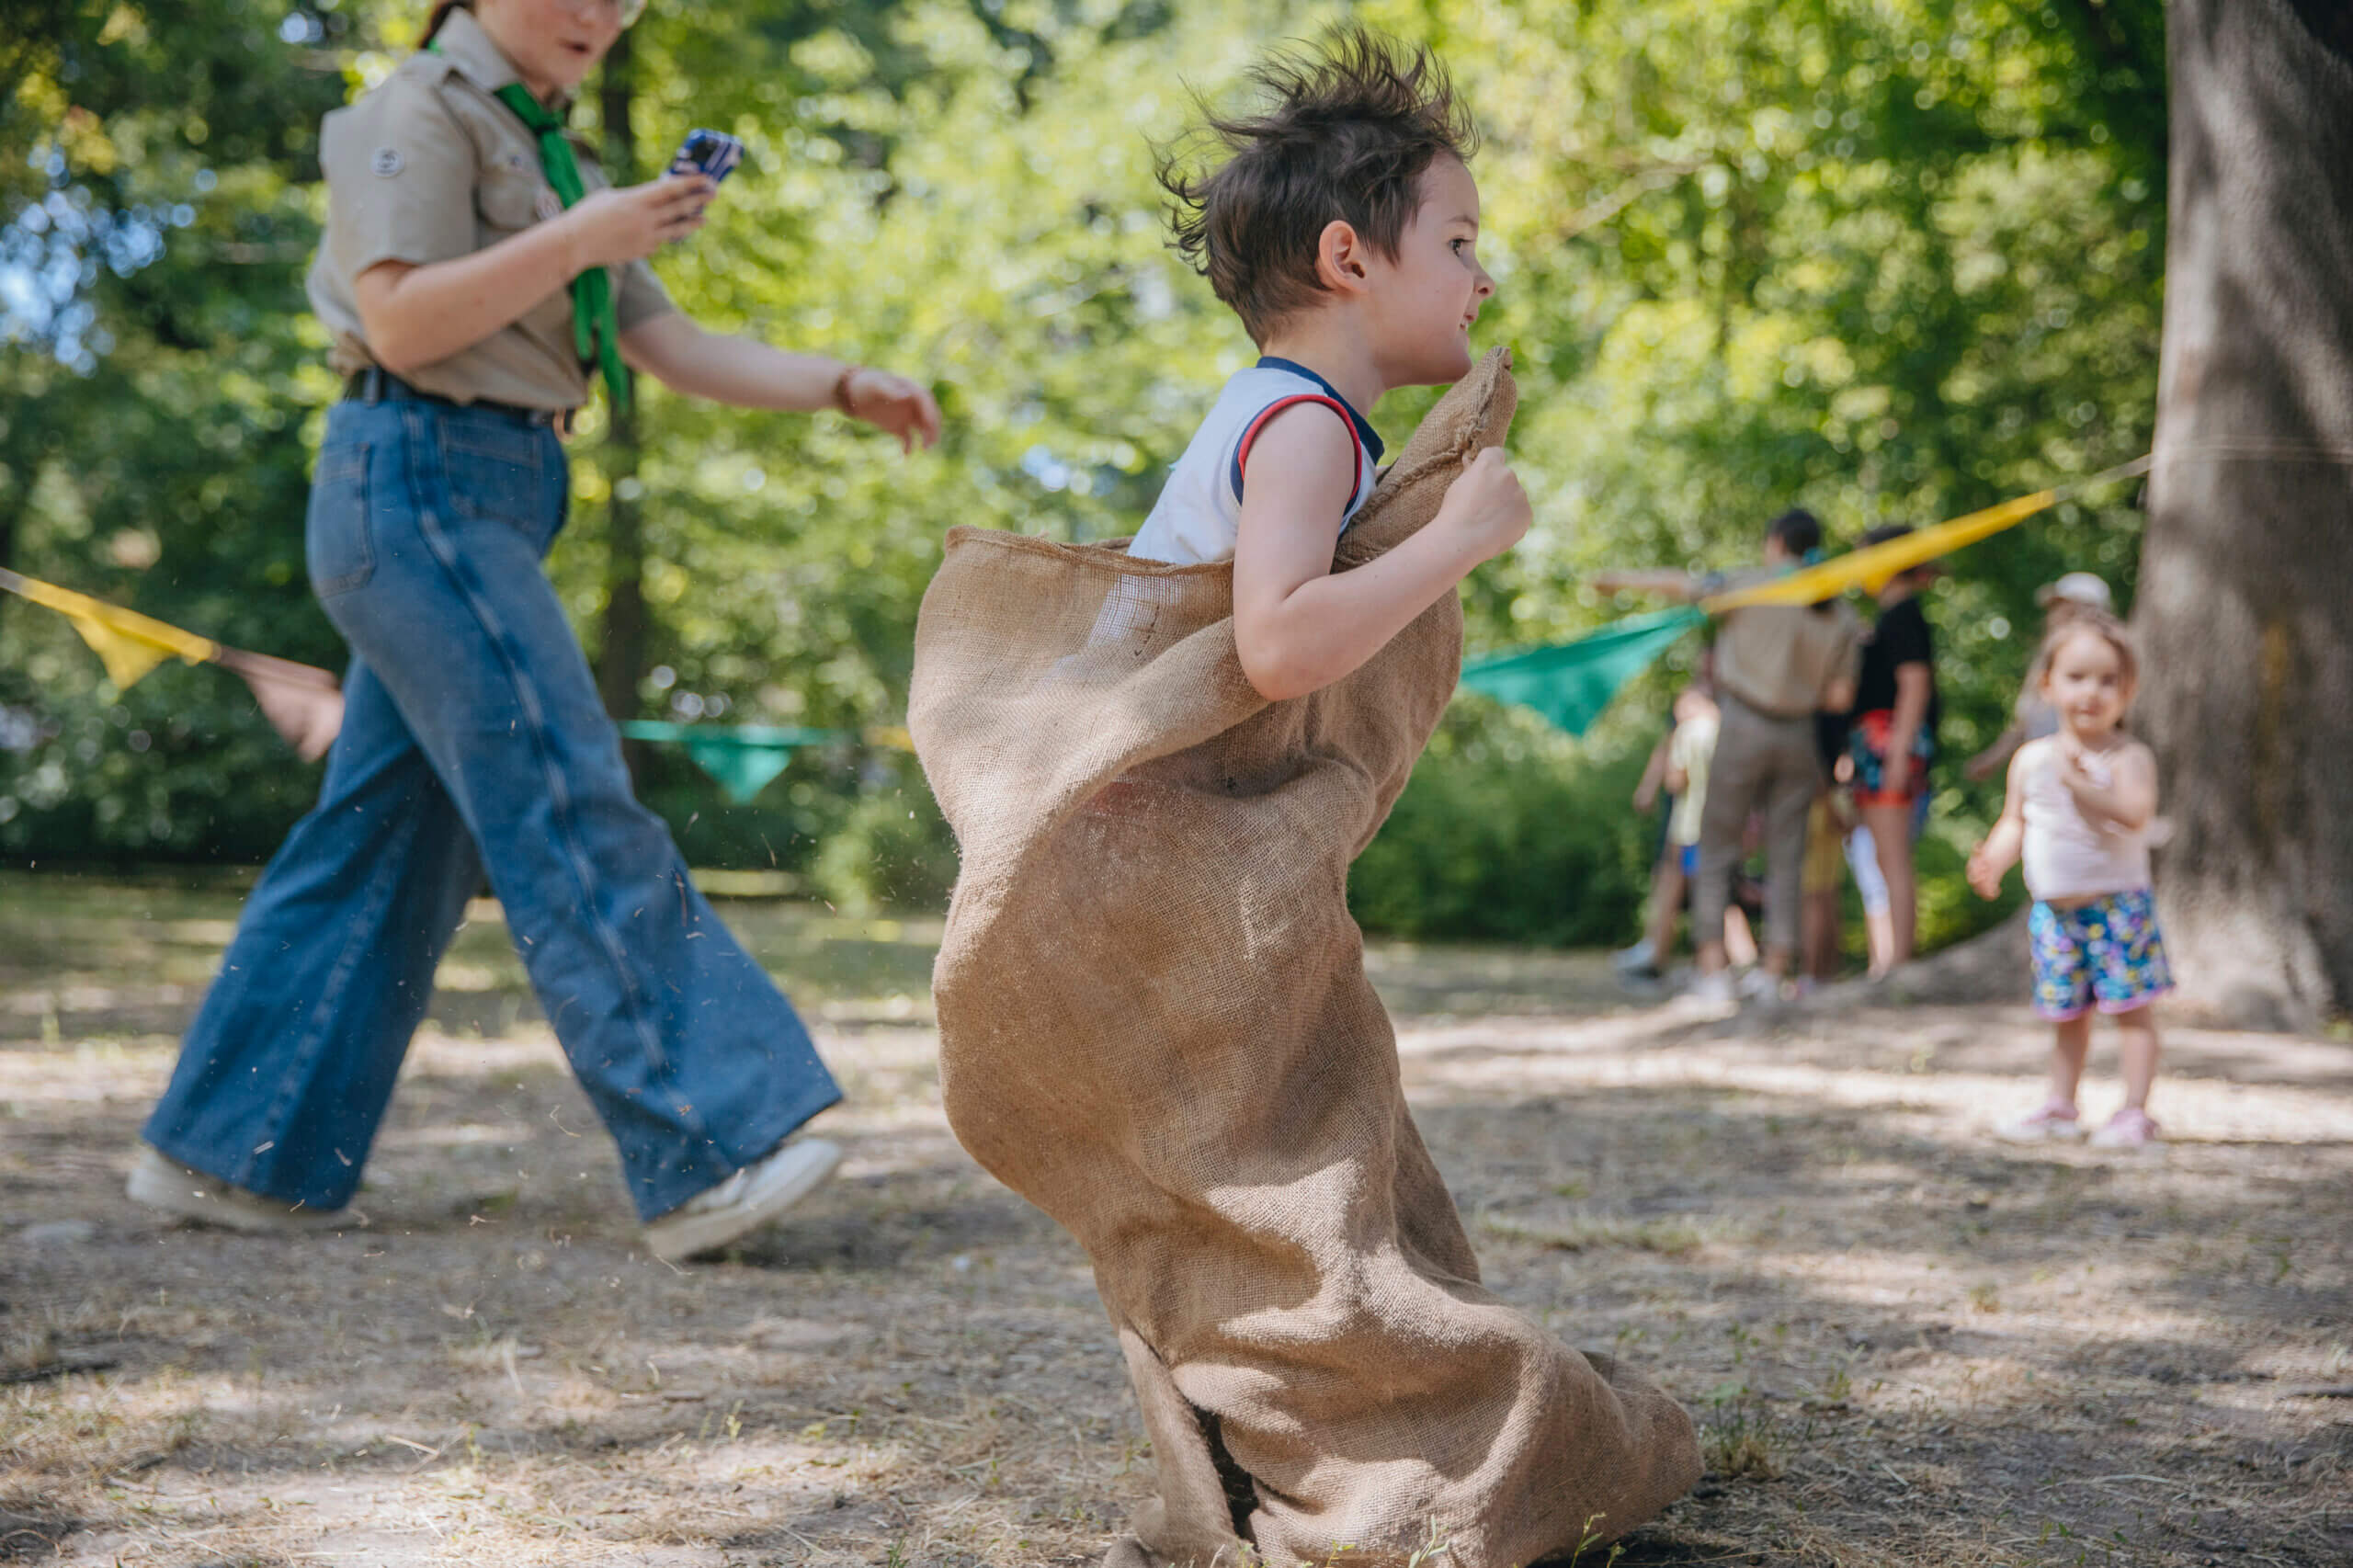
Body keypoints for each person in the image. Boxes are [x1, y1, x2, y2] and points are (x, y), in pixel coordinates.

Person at [908, 32, 1699, 1565]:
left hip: (1149, 873)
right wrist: (1460, 540)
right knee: (1269, 1184)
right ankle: (1415, 1457)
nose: (1484, 275)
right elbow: (1275, 645)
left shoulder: (1278, 415)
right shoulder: (1305, 428)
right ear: (1350, 255)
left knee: (1263, 1172)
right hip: (1163, 874)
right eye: (1459, 243)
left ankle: (1319, 1447)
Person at [127, 0, 943, 1264]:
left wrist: (840, 384)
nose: (598, 13)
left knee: (389, 832)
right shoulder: (413, 114)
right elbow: (399, 320)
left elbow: (662, 341)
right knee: (566, 788)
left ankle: (224, 1153)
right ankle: (710, 1140)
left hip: (490, 496)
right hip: (416, 485)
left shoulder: (560, 156)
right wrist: (581, 236)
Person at [1595, 509, 1861, 1004]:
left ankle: (1714, 972)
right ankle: (1773, 972)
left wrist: (1616, 581)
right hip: (1800, 735)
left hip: (1742, 726)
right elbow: (1841, 700)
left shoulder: (1751, 585)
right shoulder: (1840, 611)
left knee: (1715, 850)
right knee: (1787, 856)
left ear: (1776, 542)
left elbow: (1681, 584)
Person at [1967, 612, 2171, 1147]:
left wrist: (2083, 786)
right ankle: (2061, 1104)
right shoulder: (2031, 759)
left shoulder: (2128, 757)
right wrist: (1994, 859)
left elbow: (2135, 813)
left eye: (2109, 681)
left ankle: (2134, 1110)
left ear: (2130, 691)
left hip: (2118, 907)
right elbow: (2016, 820)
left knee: (2131, 1010)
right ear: (2048, 685)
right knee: (2067, 1013)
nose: (2092, 692)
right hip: (2055, 913)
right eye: (2078, 677)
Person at [1844, 524, 1941, 973]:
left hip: (1889, 744)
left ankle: (1900, 960)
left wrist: (1899, 754)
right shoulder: (1889, 616)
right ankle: (1889, 957)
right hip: (1876, 745)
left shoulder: (1903, 615)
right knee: (1881, 857)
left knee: (1893, 856)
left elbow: (1915, 685)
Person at [1964, 571, 2115, 782]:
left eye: (2066, 607)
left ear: (2092, 612)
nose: (2055, 615)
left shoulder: (2112, 664)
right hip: (2042, 771)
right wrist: (1992, 759)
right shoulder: (2044, 660)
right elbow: (2024, 722)